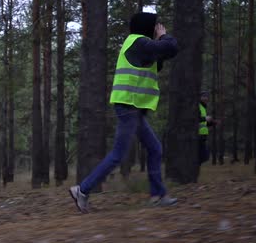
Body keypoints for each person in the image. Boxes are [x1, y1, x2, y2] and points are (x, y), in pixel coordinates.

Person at [69, 12, 179, 213]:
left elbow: (162, 56)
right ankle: (82, 190)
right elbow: (171, 47)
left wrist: (159, 41)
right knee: (118, 155)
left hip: (133, 107)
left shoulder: (142, 46)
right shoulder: (138, 42)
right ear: (147, 27)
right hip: (128, 106)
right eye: (155, 25)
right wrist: (163, 36)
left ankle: (158, 195)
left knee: (155, 149)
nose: (158, 28)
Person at [198, 91, 219, 164]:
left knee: (204, 157)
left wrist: (213, 123)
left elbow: (203, 124)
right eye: (203, 96)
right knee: (203, 156)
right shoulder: (198, 106)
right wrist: (205, 118)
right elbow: (194, 119)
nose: (205, 98)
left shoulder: (203, 108)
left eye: (207, 97)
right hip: (197, 136)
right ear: (200, 97)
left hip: (203, 136)